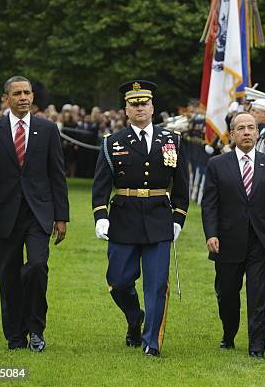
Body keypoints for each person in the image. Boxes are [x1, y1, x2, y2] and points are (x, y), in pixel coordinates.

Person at [91, 80, 189, 357]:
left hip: (159, 219)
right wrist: (101, 215)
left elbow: (182, 187)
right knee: (118, 281)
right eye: (134, 104)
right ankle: (135, 318)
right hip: (124, 218)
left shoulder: (172, 140)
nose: (140, 108)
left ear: (152, 107)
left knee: (157, 284)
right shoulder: (113, 143)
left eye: (144, 103)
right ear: (126, 109)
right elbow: (100, 185)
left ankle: (151, 342)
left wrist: (178, 219)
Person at [0, 75, 69, 351]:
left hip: (39, 213)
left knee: (37, 267)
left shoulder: (48, 129)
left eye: (27, 92)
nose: (24, 97)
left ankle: (36, 330)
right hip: (5, 214)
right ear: (7, 98)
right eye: (17, 93)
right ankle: (15, 336)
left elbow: (57, 175)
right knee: (8, 275)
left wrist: (61, 216)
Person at [201, 112, 265, 359]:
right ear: (233, 134)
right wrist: (211, 234)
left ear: (258, 133)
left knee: (258, 294)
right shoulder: (217, 164)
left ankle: (257, 346)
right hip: (227, 240)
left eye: (251, 127)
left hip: (260, 240)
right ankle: (229, 334)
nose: (247, 132)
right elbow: (210, 204)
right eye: (241, 128)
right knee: (227, 293)